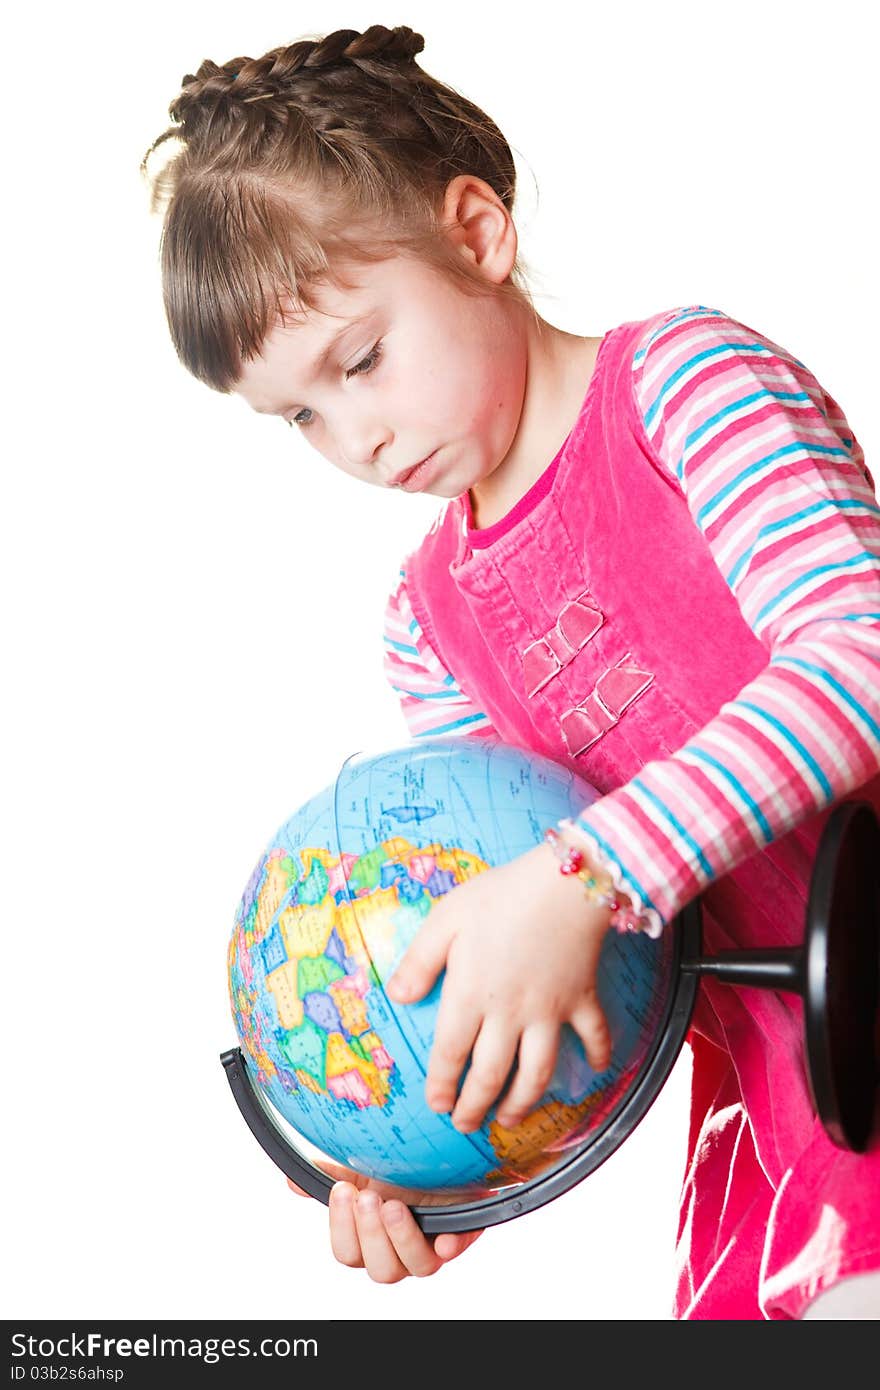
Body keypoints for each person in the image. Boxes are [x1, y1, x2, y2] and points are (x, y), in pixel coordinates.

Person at [142, 24, 880, 1319]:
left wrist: (584, 869)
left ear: (476, 233)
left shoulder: (682, 384)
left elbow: (861, 652)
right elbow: (610, 974)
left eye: (360, 359)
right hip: (775, 1133)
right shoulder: (427, 627)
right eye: (301, 414)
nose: (355, 435)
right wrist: (463, 1148)